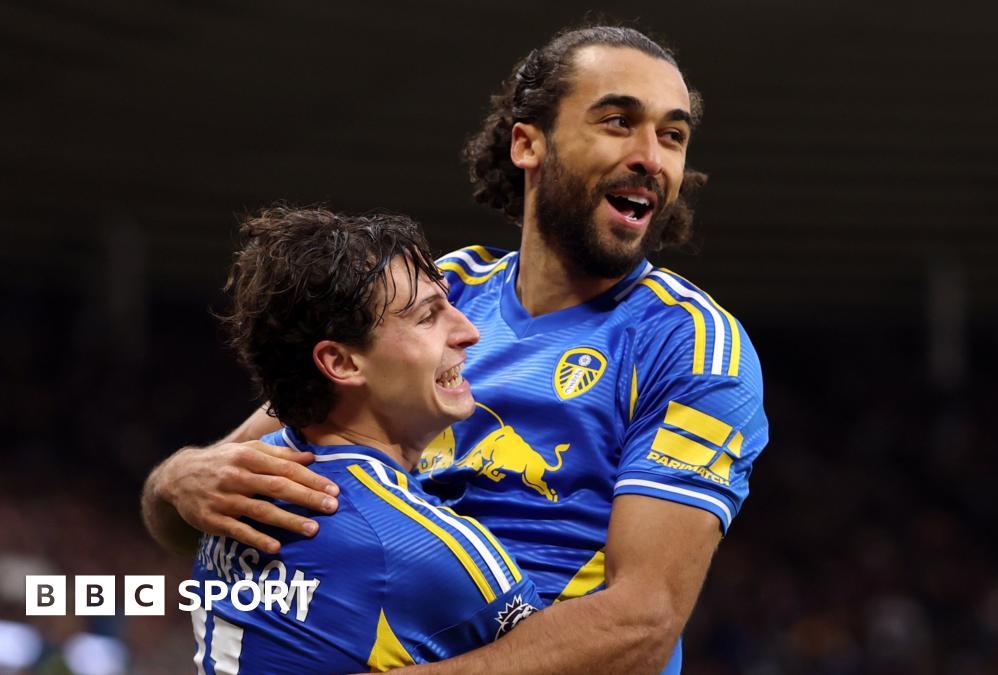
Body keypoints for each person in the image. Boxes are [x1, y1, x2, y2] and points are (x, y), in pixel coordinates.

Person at [143, 25, 767, 674]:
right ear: (528, 142)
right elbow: (233, 476)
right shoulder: (444, 290)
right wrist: (177, 479)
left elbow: (643, 623)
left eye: (673, 135)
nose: (651, 156)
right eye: (617, 121)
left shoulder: (691, 346)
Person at [186, 207, 540, 672]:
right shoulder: (423, 547)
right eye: (427, 317)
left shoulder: (232, 487)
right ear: (343, 363)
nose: (469, 332)